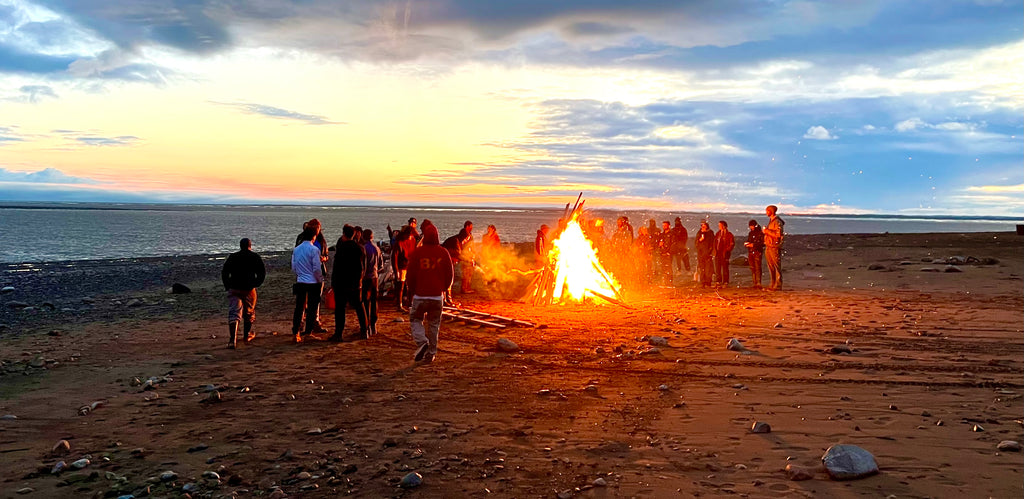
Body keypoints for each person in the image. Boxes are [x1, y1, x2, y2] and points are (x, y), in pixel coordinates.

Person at [406, 223, 454, 363]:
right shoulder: (443, 252)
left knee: (415, 319)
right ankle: (431, 353)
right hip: (437, 295)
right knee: (434, 324)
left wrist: (412, 290)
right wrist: (444, 289)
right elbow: (450, 274)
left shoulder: (417, 253)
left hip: (420, 294)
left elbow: (410, 275)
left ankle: (422, 342)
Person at [221, 238, 266, 349]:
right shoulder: (255, 257)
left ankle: (232, 339)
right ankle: (246, 335)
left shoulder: (233, 257)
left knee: (234, 313)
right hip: (248, 288)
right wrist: (256, 283)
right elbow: (262, 273)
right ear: (250, 245)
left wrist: (227, 285)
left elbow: (225, 272)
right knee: (249, 312)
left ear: (240, 246)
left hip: (234, 287)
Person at [330, 225, 368, 341]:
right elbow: (363, 267)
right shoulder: (360, 248)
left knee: (340, 309)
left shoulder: (341, 248)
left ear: (344, 234)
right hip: (355, 283)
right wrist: (360, 279)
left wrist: (334, 283)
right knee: (359, 306)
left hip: (341, 282)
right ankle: (364, 331)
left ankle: (338, 334)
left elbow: (337, 267)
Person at [295, 219, 329, 333]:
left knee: (311, 304)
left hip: (304, 277)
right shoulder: (311, 247)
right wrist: (319, 278)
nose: (318, 230)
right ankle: (304, 328)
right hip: (311, 278)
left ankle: (310, 325)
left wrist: (323, 258)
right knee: (306, 305)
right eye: (316, 228)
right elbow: (315, 268)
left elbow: (294, 265)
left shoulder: (320, 240)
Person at [361, 228, 383, 336]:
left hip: (366, 278)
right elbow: (381, 266)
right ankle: (374, 324)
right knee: (374, 301)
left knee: (365, 302)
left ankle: (367, 325)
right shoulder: (377, 249)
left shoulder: (364, 249)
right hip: (375, 277)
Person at [392, 225, 415, 310]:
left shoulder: (412, 240)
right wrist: (396, 270)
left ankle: (410, 302)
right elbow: (394, 257)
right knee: (400, 286)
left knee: (410, 286)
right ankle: (399, 304)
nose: (409, 236)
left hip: (410, 265)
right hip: (401, 266)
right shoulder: (399, 243)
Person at [764, 205, 786, 290]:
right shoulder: (771, 221)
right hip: (769, 246)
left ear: (771, 211)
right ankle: (772, 284)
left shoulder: (777, 222)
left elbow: (778, 234)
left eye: (767, 211)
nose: (766, 212)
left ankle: (778, 285)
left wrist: (767, 231)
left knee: (776, 266)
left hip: (774, 247)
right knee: (771, 266)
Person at [744, 220, 765, 289]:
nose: (751, 227)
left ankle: (758, 283)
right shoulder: (751, 233)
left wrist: (753, 245)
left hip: (757, 252)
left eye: (752, 226)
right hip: (751, 252)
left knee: (757, 267)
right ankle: (754, 282)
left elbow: (762, 243)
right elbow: (749, 240)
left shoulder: (760, 233)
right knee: (752, 268)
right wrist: (747, 243)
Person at [713, 221, 735, 287]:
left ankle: (725, 282)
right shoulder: (718, 234)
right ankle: (718, 281)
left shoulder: (729, 234)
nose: (719, 226)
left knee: (725, 268)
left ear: (724, 226)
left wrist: (727, 250)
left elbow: (731, 244)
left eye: (720, 225)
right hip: (718, 253)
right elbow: (715, 242)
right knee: (717, 268)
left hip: (724, 253)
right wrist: (714, 251)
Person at [694, 221, 715, 287]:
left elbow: (712, 242)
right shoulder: (699, 233)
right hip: (701, 253)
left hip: (708, 253)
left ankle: (708, 282)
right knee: (702, 268)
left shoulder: (710, 233)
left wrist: (711, 251)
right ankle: (703, 282)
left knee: (708, 269)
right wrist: (700, 240)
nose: (702, 227)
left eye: (704, 226)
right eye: (702, 226)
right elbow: (696, 243)